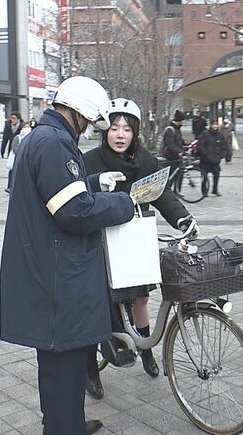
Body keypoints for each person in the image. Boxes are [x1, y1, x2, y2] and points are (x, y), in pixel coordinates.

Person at [0, 76, 135, 435]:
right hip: (58, 277)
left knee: (62, 368)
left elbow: (57, 193)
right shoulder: (55, 142)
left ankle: (64, 422)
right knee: (64, 367)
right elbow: (74, 212)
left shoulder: (43, 138)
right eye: (89, 121)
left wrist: (94, 183)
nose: (89, 128)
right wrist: (123, 203)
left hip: (47, 271)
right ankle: (64, 428)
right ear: (77, 111)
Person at [82, 98, 196, 400]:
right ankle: (90, 367)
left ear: (135, 132)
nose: (120, 135)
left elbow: (162, 195)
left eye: (127, 129)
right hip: (101, 241)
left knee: (141, 299)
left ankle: (145, 350)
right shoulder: (90, 161)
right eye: (114, 128)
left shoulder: (146, 161)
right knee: (97, 305)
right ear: (105, 131)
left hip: (135, 240)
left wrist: (182, 218)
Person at [196, 119, 227, 196]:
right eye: (213, 124)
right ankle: (204, 192)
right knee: (204, 177)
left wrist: (220, 156)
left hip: (215, 160)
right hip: (205, 160)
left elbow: (224, 148)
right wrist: (206, 155)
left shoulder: (220, 136)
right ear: (210, 125)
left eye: (216, 124)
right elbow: (200, 146)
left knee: (216, 175)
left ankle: (215, 190)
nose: (215, 126)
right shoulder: (204, 134)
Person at [0, 111, 23, 193]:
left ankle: (19, 186)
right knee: (11, 167)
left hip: (21, 148)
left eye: (14, 118)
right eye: (11, 118)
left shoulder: (22, 125)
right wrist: (2, 151)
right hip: (11, 149)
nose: (12, 120)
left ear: (18, 119)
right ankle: (9, 186)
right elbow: (5, 138)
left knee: (20, 168)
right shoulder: (7, 125)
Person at [6, 121, 32, 192]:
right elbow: (14, 147)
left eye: (28, 126)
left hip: (26, 158)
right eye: (25, 127)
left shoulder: (31, 137)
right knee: (13, 172)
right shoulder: (18, 137)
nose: (27, 128)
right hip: (16, 158)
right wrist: (20, 152)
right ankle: (10, 186)